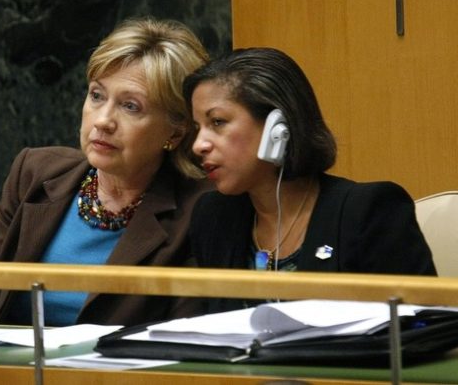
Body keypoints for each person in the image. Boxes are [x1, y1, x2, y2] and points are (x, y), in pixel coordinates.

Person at [0, 18, 210, 327]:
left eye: (130, 106)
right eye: (96, 95)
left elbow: (184, 339)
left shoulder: (201, 210)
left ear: (176, 132)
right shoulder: (36, 173)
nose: (103, 120)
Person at [183, 47, 436, 313]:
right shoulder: (213, 216)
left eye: (218, 122)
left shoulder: (370, 210)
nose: (199, 145)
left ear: (278, 127)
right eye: (198, 127)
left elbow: (419, 327)